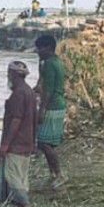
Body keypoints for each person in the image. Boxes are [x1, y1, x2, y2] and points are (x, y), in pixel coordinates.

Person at [0, 61, 37, 207]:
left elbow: (16, 119)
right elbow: (33, 119)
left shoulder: (18, 94)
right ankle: (19, 205)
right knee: (21, 175)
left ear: (12, 75)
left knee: (12, 176)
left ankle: (25, 204)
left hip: (17, 143)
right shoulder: (29, 92)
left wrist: (5, 144)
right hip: (27, 141)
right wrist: (33, 142)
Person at [34, 35, 67, 188]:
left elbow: (48, 91)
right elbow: (43, 84)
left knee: (44, 143)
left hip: (52, 106)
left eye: (40, 48)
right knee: (47, 143)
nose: (37, 51)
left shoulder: (48, 64)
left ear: (47, 48)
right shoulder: (56, 62)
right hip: (58, 104)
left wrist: (41, 110)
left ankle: (59, 174)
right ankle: (53, 173)